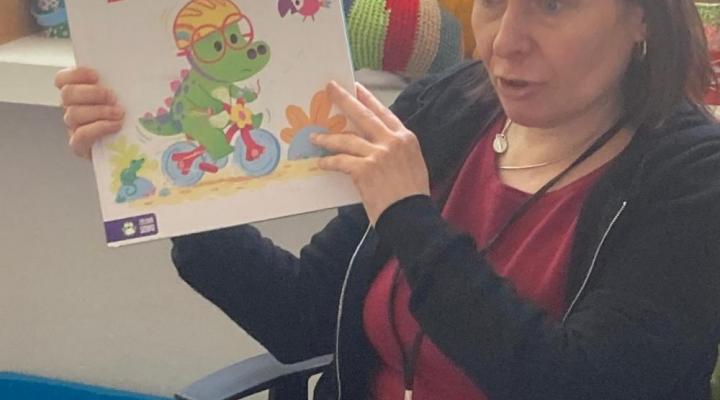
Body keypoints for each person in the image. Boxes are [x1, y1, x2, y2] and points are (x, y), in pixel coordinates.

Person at [55, 1, 720, 399]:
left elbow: (574, 384)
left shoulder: (693, 177)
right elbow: (302, 316)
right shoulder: (444, 110)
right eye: (492, 1)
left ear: (643, 17)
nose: (504, 41)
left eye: (552, 5)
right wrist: (170, 185)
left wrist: (409, 218)